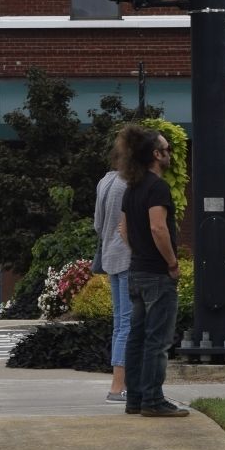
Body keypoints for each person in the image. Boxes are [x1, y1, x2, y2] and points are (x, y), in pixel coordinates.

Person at [117, 124, 188, 417]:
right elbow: (158, 227)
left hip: (136, 271)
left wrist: (141, 252)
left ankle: (134, 398)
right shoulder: (157, 187)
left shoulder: (132, 188)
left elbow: (123, 230)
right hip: (158, 275)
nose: (169, 153)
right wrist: (171, 262)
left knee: (137, 336)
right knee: (158, 340)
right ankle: (153, 400)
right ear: (156, 155)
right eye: (166, 149)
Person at [93, 138, 131, 401]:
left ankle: (117, 384)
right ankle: (119, 385)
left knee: (120, 323)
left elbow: (98, 224)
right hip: (128, 257)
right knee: (128, 322)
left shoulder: (104, 182)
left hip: (110, 257)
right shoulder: (128, 184)